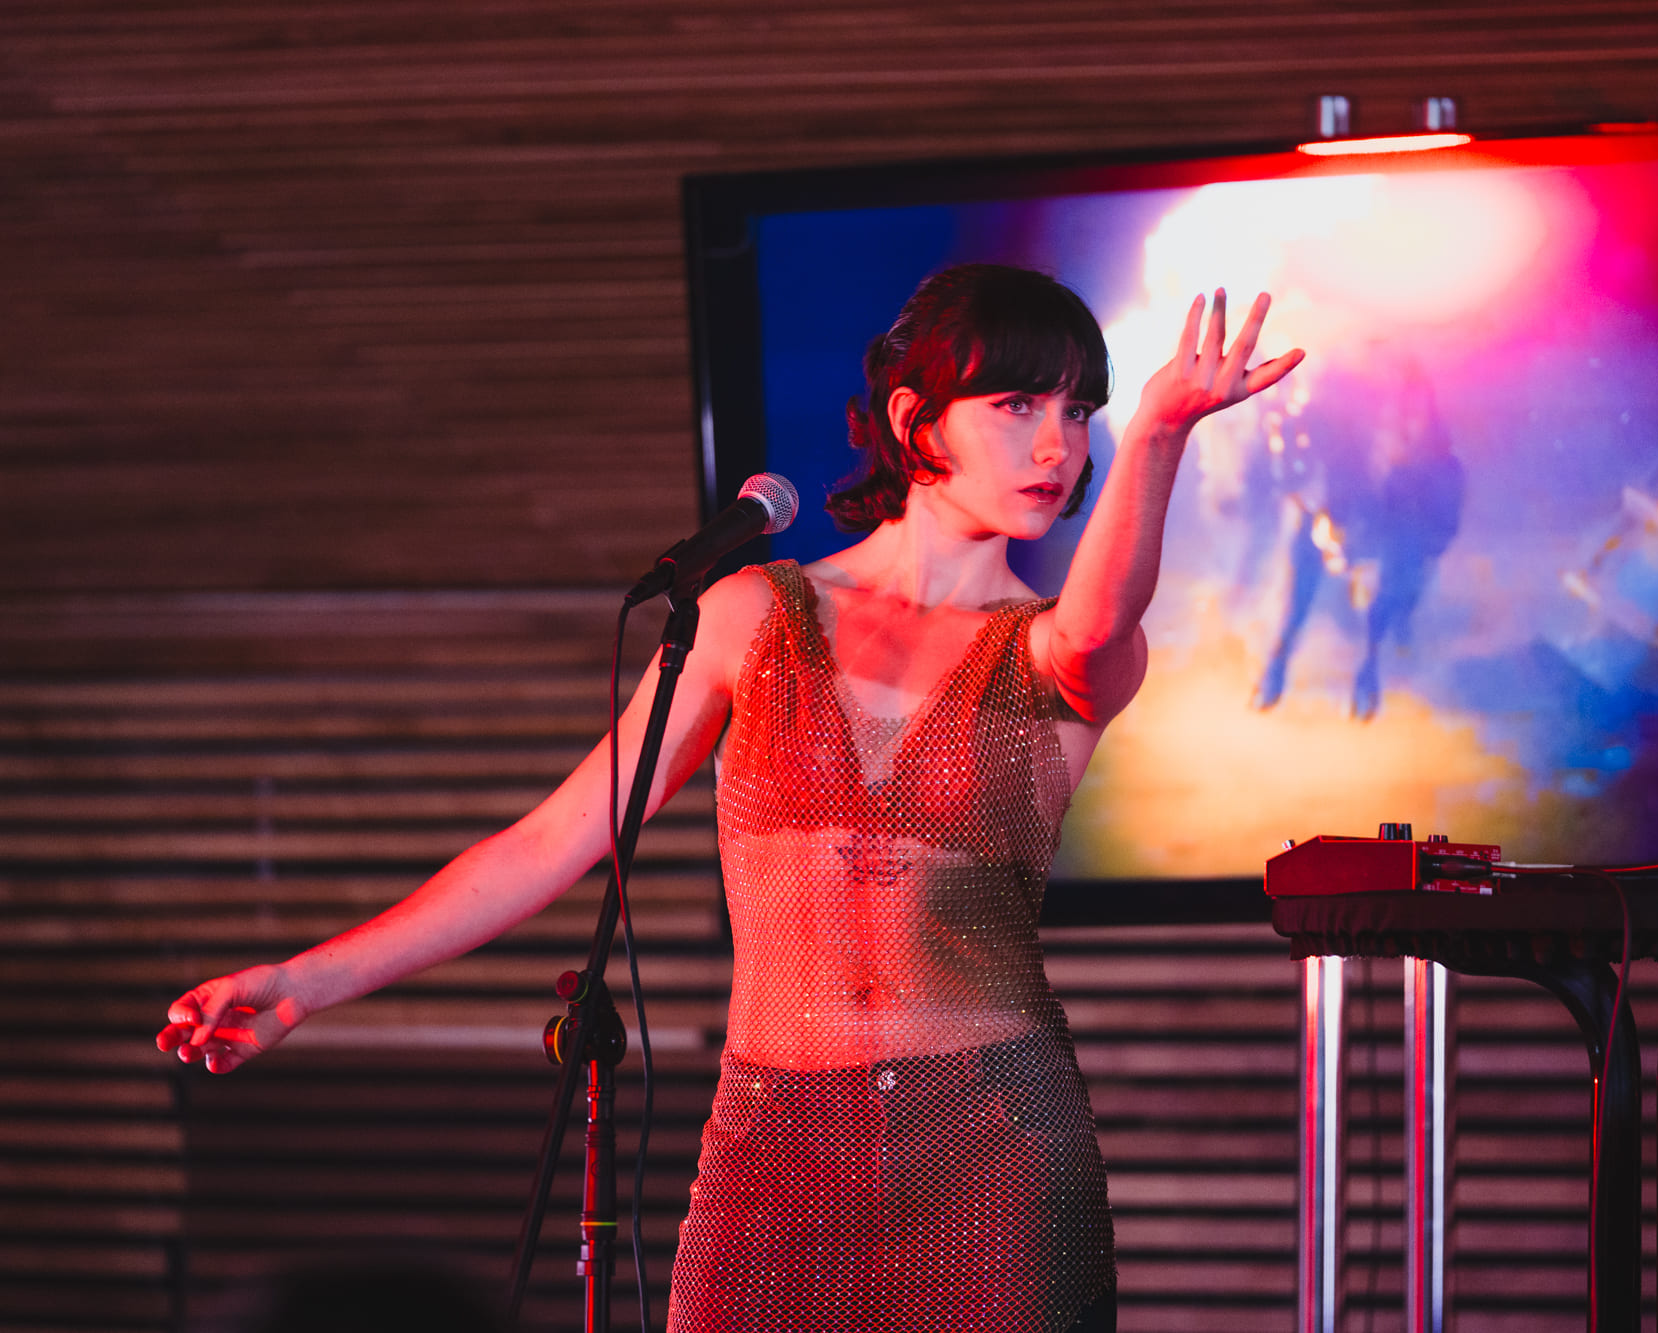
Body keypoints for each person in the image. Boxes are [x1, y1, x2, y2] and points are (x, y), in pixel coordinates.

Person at [158, 263, 1302, 1333]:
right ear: (914, 419)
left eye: (1079, 413)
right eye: (1015, 405)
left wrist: (1159, 433)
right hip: (769, 1149)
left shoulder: (1053, 650)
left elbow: (1100, 619)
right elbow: (555, 838)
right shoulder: (754, 613)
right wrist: (305, 981)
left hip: (989, 1151)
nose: (1057, 444)